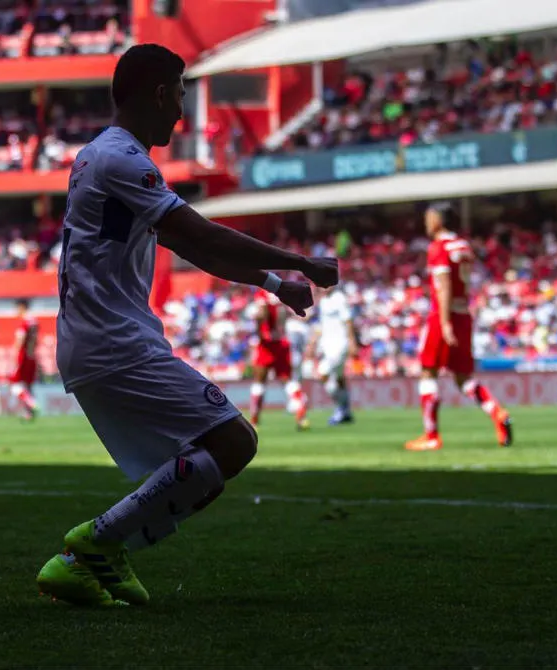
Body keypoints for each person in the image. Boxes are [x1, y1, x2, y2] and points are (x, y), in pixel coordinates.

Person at [35, 44, 338, 606]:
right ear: (158, 93)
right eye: (179, 93)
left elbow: (190, 247)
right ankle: (92, 548)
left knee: (209, 453)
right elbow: (204, 235)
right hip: (113, 343)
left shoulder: (102, 157)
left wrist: (275, 285)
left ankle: (93, 553)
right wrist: (301, 261)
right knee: (232, 440)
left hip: (100, 341)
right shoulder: (121, 159)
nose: (180, 109)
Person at [405, 202, 512, 451]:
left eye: (429, 218)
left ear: (439, 221)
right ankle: (497, 412)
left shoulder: (439, 248)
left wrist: (443, 323)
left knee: (428, 371)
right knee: (463, 377)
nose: (426, 223)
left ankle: (431, 435)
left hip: (445, 315)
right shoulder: (463, 246)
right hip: (464, 315)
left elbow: (443, 287)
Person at [246, 290, 303, 429]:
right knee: (288, 381)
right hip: (282, 342)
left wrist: (260, 330)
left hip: (266, 344)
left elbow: (261, 314)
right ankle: (301, 415)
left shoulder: (262, 294)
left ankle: (254, 420)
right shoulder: (279, 291)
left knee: (259, 382)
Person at [303, 288, 358, 427]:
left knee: (323, 373)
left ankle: (340, 409)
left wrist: (352, 342)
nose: (321, 288)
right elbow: (322, 325)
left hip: (340, 344)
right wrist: (313, 342)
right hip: (327, 345)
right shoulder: (323, 301)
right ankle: (346, 411)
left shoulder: (339, 298)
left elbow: (348, 321)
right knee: (339, 379)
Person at [9, 298, 40, 421]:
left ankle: (32, 404)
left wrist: (14, 356)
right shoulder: (34, 322)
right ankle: (29, 414)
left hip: (23, 357)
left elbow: (20, 340)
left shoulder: (25, 323)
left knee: (15, 386)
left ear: (22, 307)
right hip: (32, 356)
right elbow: (35, 340)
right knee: (28, 385)